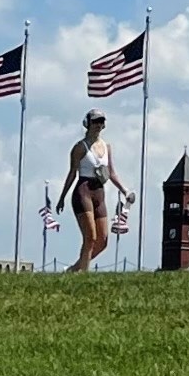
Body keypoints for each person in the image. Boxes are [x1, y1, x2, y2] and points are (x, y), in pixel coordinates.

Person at [55, 112, 130, 271]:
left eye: (101, 122)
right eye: (95, 121)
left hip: (99, 192)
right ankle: (84, 274)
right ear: (87, 124)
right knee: (90, 237)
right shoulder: (80, 147)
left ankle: (75, 269)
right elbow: (72, 173)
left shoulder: (106, 146)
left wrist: (125, 191)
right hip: (83, 191)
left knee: (102, 240)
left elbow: (111, 173)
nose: (98, 125)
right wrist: (62, 197)